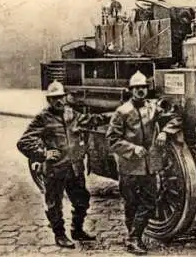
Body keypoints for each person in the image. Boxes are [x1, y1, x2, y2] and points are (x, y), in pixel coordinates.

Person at [16, 80, 107, 249]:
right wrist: (44, 154)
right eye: (54, 98)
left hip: (74, 168)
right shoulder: (43, 118)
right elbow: (23, 142)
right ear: (48, 100)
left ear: (65, 98)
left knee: (82, 200)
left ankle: (77, 229)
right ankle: (59, 235)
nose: (58, 101)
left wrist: (115, 114)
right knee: (54, 204)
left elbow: (93, 119)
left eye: (61, 97)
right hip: (55, 170)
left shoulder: (71, 114)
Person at [106, 70, 183, 255]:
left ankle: (134, 237)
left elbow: (176, 117)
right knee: (131, 203)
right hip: (129, 167)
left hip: (149, 166)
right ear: (130, 90)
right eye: (136, 88)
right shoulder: (122, 112)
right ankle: (133, 237)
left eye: (143, 88)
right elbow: (112, 140)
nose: (140, 91)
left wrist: (165, 131)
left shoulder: (153, 108)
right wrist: (133, 149)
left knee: (149, 203)